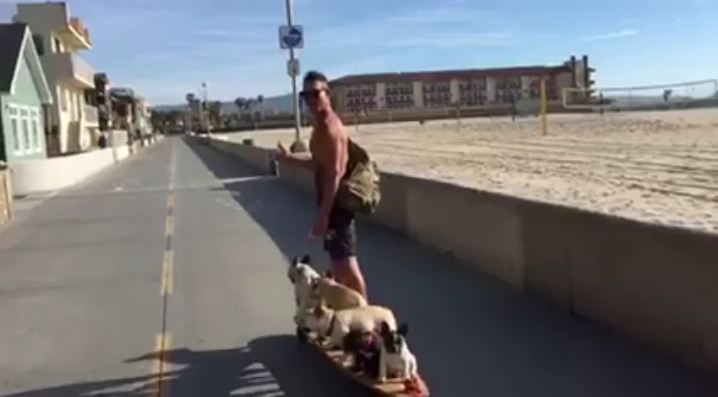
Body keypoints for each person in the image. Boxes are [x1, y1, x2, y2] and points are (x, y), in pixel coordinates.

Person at [276, 71, 368, 299]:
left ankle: (369, 322)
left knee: (347, 267)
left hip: (337, 205)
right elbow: (320, 165)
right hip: (330, 204)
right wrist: (289, 159)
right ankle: (352, 318)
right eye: (306, 95)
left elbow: (335, 173)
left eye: (316, 93)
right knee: (339, 267)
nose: (310, 99)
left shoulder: (330, 128)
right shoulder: (320, 126)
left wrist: (324, 216)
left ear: (328, 94)